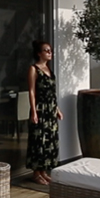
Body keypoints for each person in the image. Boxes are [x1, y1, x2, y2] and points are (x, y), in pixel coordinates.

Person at [27, 40, 62, 185]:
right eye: (46, 50)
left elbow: (52, 92)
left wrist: (57, 109)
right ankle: (36, 173)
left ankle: (44, 172)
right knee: (39, 141)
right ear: (39, 53)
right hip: (40, 109)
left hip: (50, 110)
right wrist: (34, 112)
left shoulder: (49, 69)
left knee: (50, 141)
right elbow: (32, 91)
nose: (49, 53)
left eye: (50, 50)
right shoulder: (34, 69)